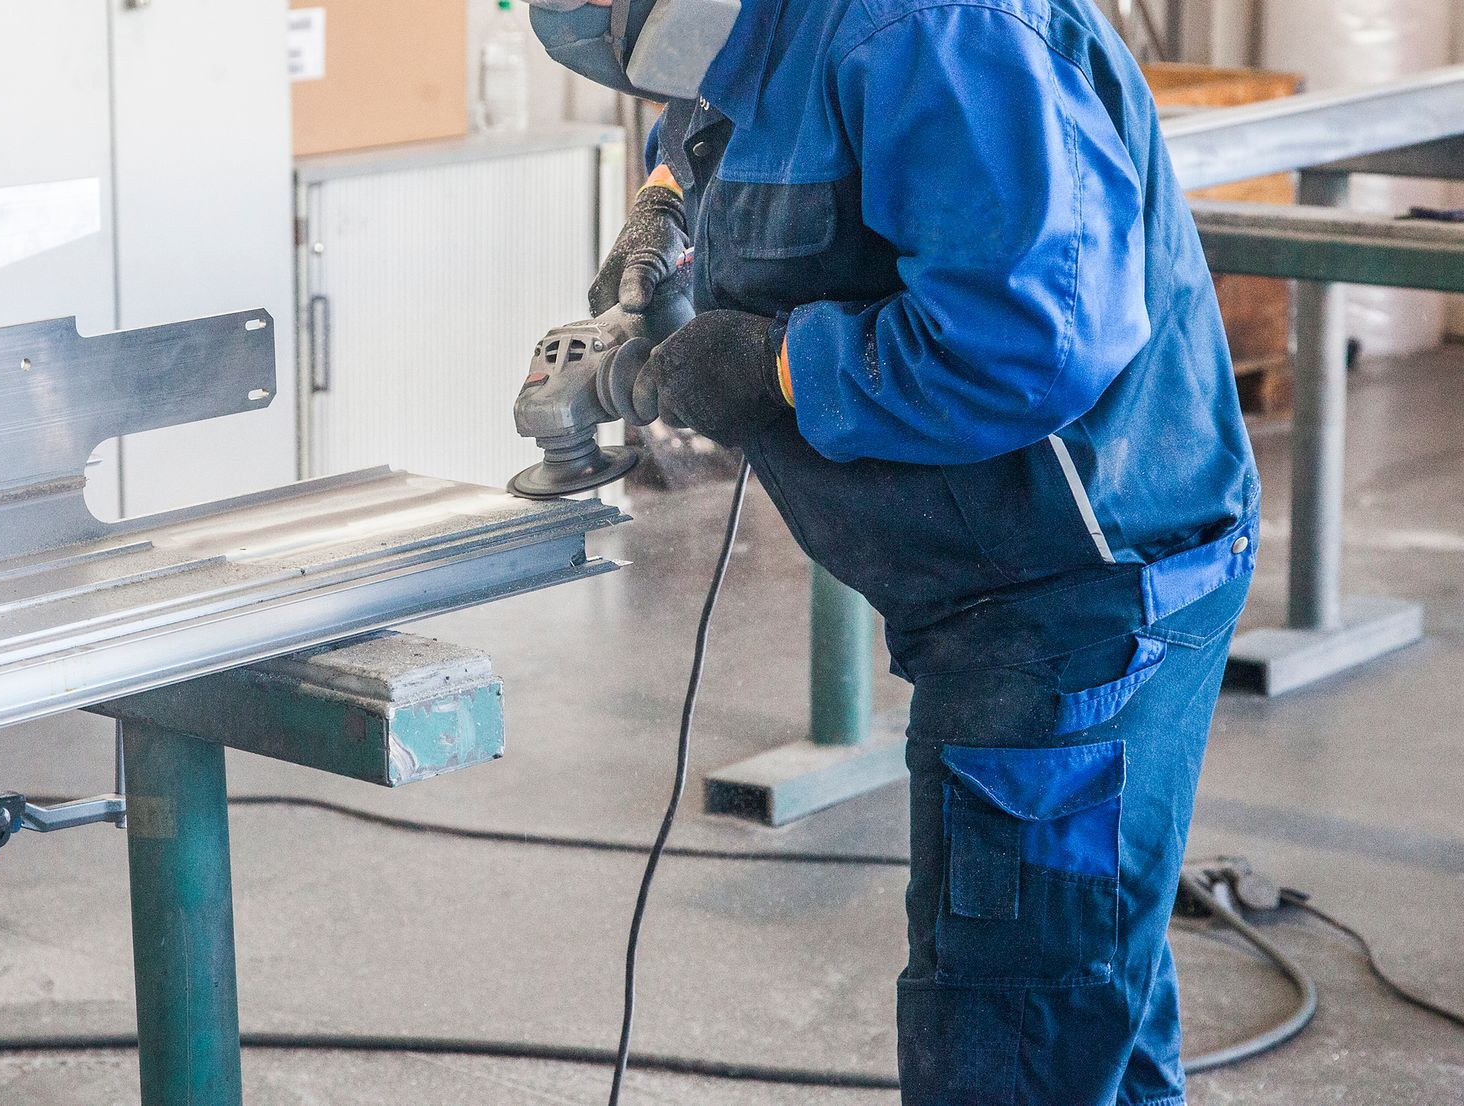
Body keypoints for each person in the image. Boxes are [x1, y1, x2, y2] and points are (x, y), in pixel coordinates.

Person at [525, 2, 1260, 1104]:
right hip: (985, 591)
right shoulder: (753, 26)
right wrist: (663, 213)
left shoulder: (933, 28)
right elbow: (709, 126)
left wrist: (777, 367)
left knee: (1012, 1030)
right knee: (1084, 990)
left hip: (1081, 598)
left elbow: (1032, 336)